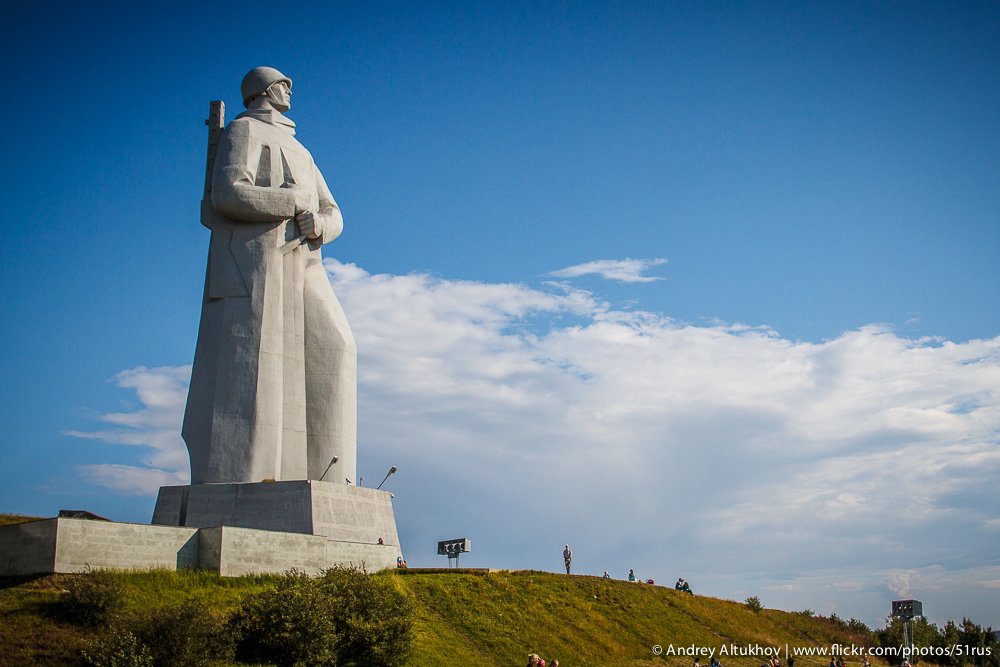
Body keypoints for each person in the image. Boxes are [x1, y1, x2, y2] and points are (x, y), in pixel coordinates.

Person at [183, 66, 356, 485]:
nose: (289, 89)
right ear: (261, 90)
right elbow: (227, 193)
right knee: (258, 370)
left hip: (306, 261)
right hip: (257, 262)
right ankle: (250, 476)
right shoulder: (242, 133)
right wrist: (289, 201)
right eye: (282, 83)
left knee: (338, 347)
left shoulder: (302, 150)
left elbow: (335, 211)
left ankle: (335, 480)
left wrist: (321, 224)